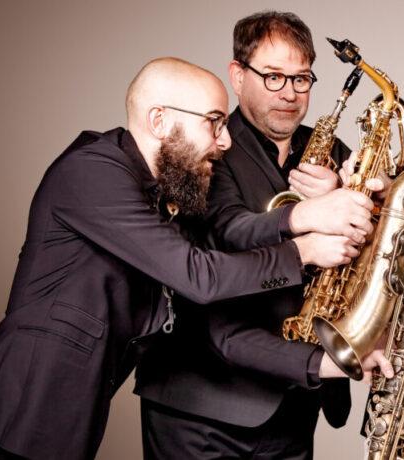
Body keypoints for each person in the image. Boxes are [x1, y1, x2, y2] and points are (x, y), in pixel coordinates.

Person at [0, 57, 380, 460]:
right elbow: (200, 276)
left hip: (62, 425)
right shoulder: (92, 171)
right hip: (11, 420)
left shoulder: (160, 199)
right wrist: (304, 248)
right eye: (214, 122)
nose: (225, 140)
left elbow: (215, 320)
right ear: (159, 120)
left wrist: (329, 362)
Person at [134, 11, 376, 459]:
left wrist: (360, 198)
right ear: (238, 76)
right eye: (273, 76)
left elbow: (366, 252)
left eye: (301, 79)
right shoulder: (207, 147)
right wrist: (313, 213)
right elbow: (229, 229)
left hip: (295, 399)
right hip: (201, 406)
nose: (289, 93)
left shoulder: (332, 153)